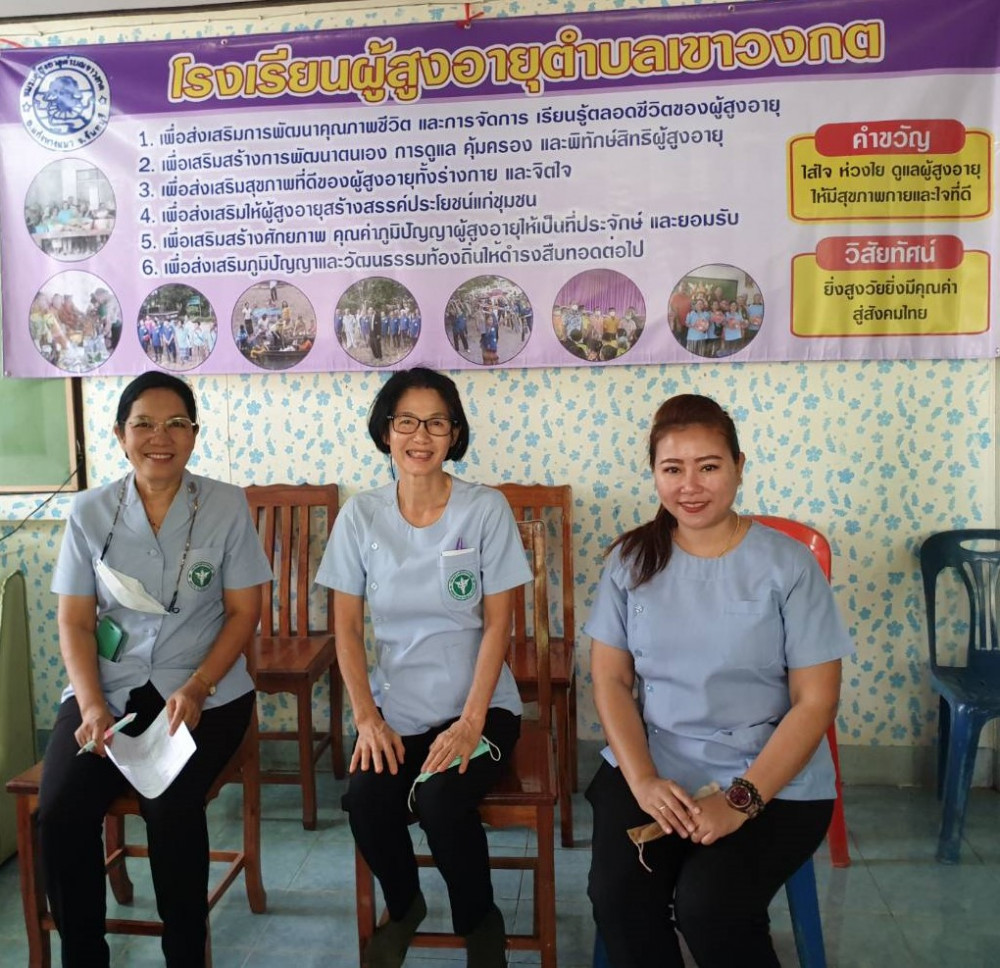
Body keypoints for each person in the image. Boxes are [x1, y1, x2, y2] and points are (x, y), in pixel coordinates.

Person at [585, 394, 853, 968]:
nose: (690, 486)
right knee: (620, 899)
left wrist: (742, 801)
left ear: (738, 466)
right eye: (672, 469)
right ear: (654, 473)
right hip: (657, 763)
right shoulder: (631, 560)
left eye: (708, 466)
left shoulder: (788, 566)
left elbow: (815, 701)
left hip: (772, 776)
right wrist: (643, 781)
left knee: (709, 907)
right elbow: (609, 680)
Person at [37, 371, 272, 968]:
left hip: (204, 693)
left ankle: (184, 955)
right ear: (120, 435)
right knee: (61, 809)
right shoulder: (89, 511)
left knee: (170, 807)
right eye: (143, 424)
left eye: (176, 424)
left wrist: (198, 685)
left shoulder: (224, 505)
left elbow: (244, 613)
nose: (159, 437)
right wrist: (92, 706)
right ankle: (83, 955)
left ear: (194, 434)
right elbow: (75, 622)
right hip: (108, 691)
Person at [316, 367, 530, 968]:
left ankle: (480, 921)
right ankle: (405, 905)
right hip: (398, 709)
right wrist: (367, 719)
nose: (421, 435)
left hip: (482, 709)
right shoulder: (360, 516)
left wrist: (470, 722)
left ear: (455, 433)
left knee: (440, 801)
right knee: (365, 799)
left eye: (437, 423)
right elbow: (346, 629)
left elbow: (499, 625)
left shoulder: (485, 510)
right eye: (406, 421)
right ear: (385, 431)